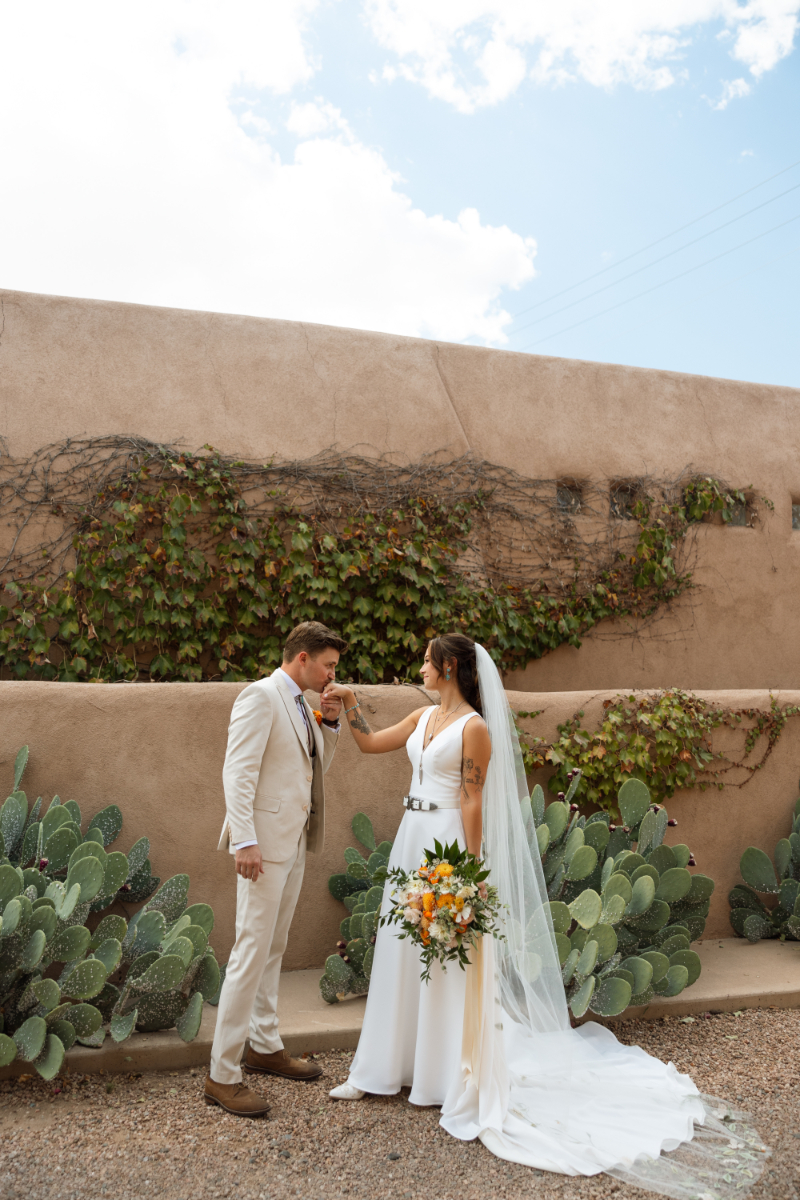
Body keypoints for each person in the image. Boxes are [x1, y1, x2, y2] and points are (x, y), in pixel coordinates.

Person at [321, 633, 770, 1199]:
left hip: (445, 845)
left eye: (427, 662)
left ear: (451, 667)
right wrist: (348, 705)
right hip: (410, 840)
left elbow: (472, 800)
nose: (420, 669)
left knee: (445, 958)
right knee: (401, 949)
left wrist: (468, 871)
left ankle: (441, 1075)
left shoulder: (475, 729)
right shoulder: (421, 716)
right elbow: (369, 745)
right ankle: (379, 1069)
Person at [205, 621, 346, 1117]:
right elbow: (237, 771)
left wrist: (329, 723)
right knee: (250, 949)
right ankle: (222, 1074)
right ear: (302, 657)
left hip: (292, 843)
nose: (332, 674)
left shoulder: (302, 704)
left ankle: (264, 1045)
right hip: (261, 847)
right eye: (328, 665)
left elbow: (314, 771)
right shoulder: (260, 696)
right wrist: (244, 840)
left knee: (273, 947)